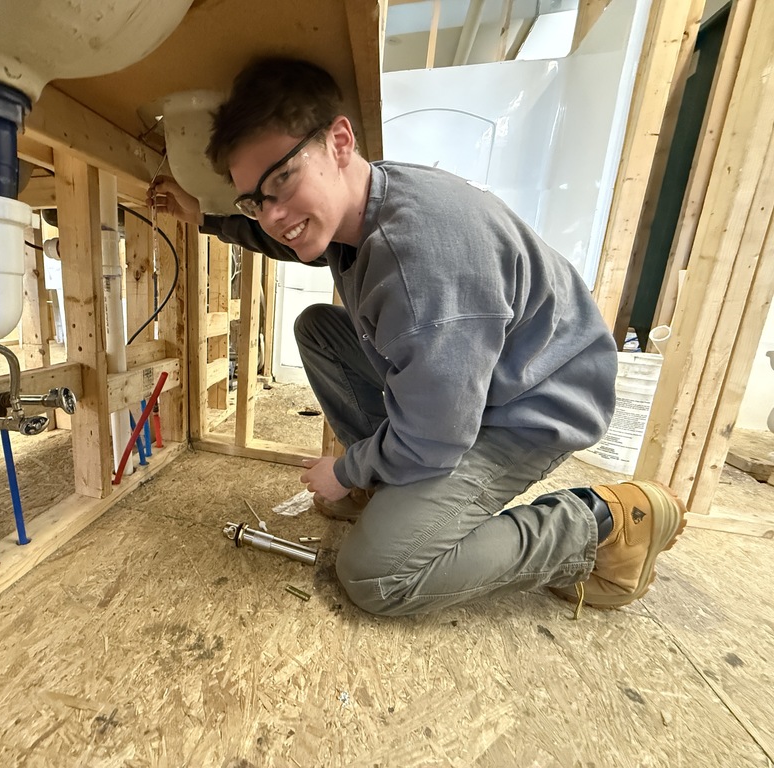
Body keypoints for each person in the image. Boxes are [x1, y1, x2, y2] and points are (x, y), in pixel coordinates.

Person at [149, 56, 686, 617]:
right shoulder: (365, 206)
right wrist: (206, 218)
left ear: (338, 141)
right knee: (320, 330)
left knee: (375, 575)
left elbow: (439, 434)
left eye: (283, 179)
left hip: (532, 407)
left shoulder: (421, 260)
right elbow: (288, 234)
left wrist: (346, 469)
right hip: (484, 384)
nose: (275, 213)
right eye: (255, 201)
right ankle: (395, 491)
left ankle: (601, 523)